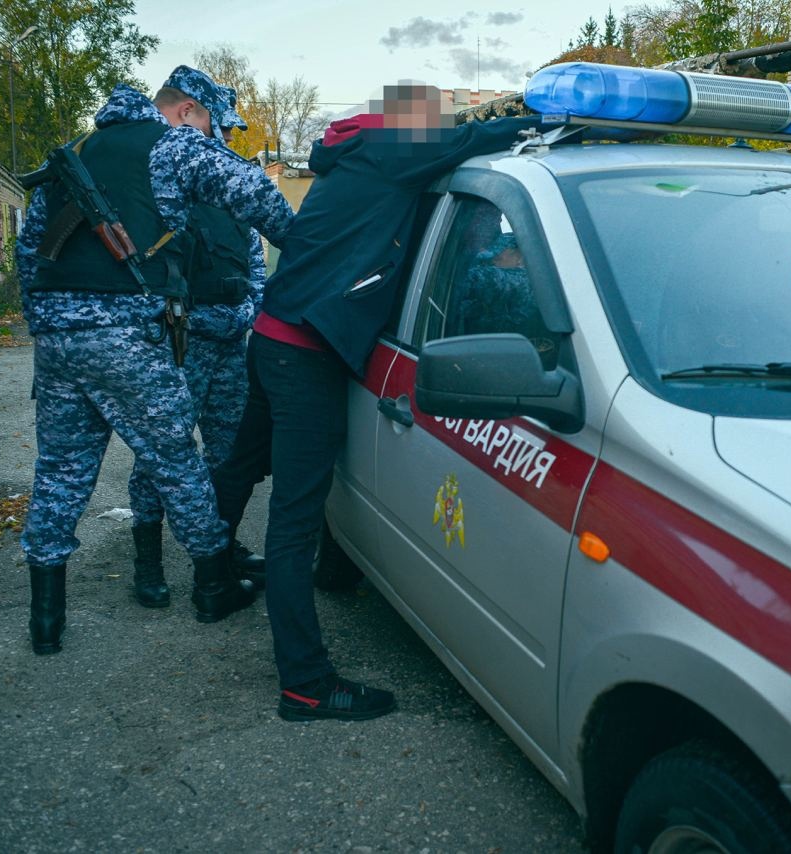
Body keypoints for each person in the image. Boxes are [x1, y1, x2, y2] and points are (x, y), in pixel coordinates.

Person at [211, 83, 547, 721]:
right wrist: (541, 116)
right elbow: (474, 139)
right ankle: (305, 685)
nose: (445, 126)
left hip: (274, 331)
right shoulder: (396, 149)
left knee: (241, 464)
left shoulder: (358, 148)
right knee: (293, 525)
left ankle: (211, 578)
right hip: (307, 352)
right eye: (438, 118)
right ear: (416, 124)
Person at [16, 66, 294, 655]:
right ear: (190, 110)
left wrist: (44, 322)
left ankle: (46, 621)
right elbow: (255, 193)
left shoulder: (76, 153)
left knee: (61, 471)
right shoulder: (172, 146)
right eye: (210, 120)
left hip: (59, 341)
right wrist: (306, 242)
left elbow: (29, 248)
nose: (212, 132)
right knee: (175, 460)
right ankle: (215, 585)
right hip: (124, 334)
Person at [124, 85, 267, 608]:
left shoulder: (228, 187)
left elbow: (255, 259)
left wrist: (249, 308)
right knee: (161, 454)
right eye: (219, 126)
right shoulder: (160, 182)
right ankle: (149, 562)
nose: (223, 137)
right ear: (190, 114)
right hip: (180, 342)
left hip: (231, 340)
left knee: (228, 453)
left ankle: (220, 551)